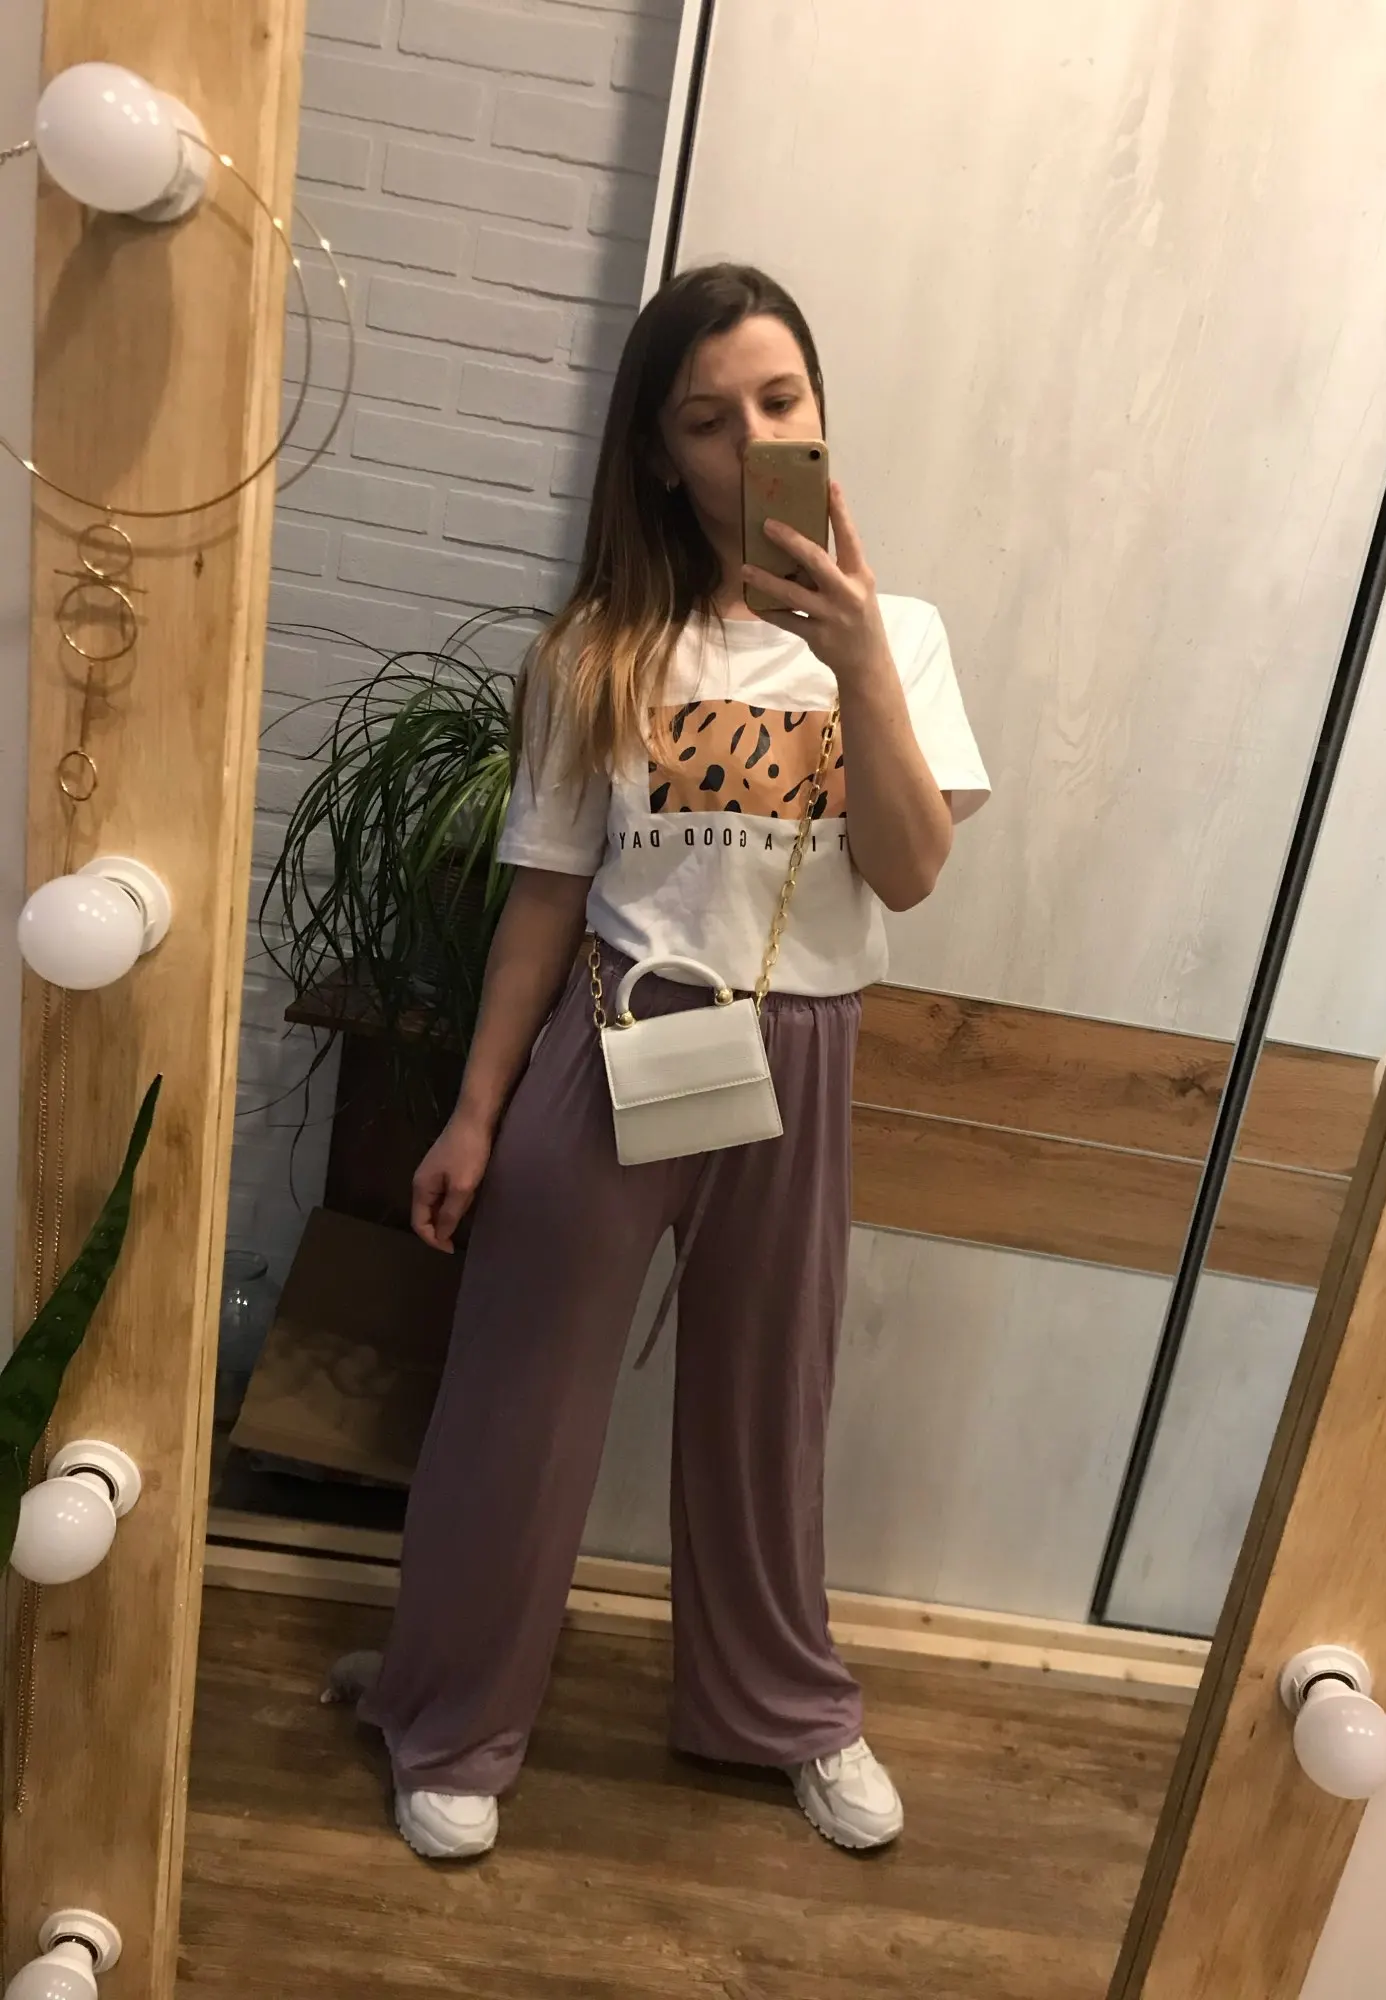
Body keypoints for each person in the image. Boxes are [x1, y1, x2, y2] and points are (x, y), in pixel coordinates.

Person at [359, 262, 990, 1861]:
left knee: (769, 1409)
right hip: (617, 1031)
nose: (752, 441)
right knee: (516, 1403)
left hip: (801, 1049)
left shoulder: (903, 639)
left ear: (820, 410)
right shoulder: (598, 649)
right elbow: (542, 899)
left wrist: (856, 659)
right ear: (656, 453)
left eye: (781, 402)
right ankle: (453, 1717)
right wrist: (477, 1112)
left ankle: (784, 1710)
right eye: (708, 420)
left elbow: (910, 870)